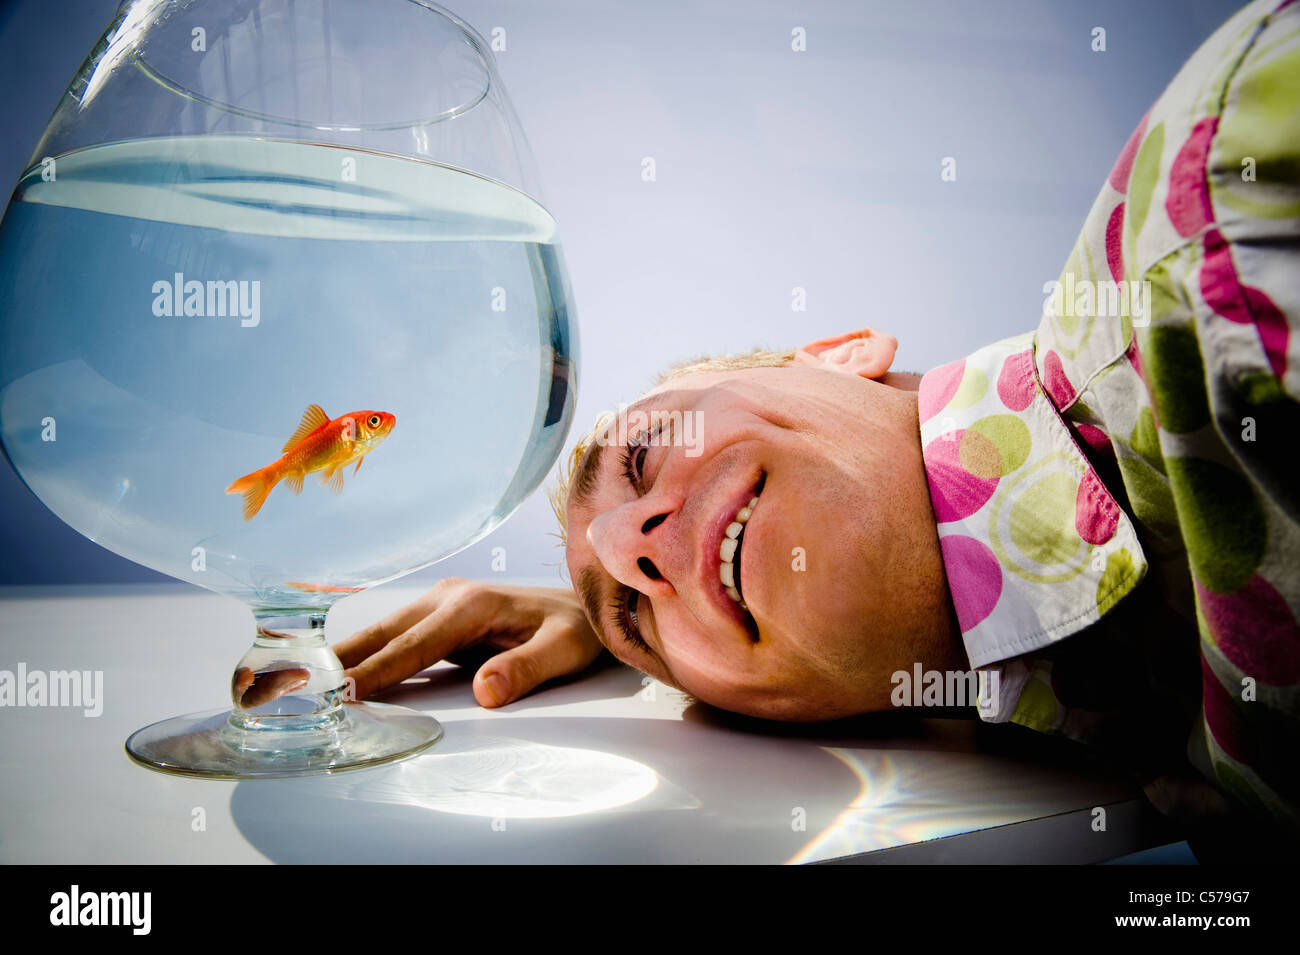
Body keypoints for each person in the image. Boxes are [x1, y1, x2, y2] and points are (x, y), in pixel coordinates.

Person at [335, 0, 1300, 848]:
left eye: (640, 452)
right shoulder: (1080, 700)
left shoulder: (1214, 231)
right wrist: (605, 625)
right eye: (637, 609)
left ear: (843, 352)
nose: (634, 549)